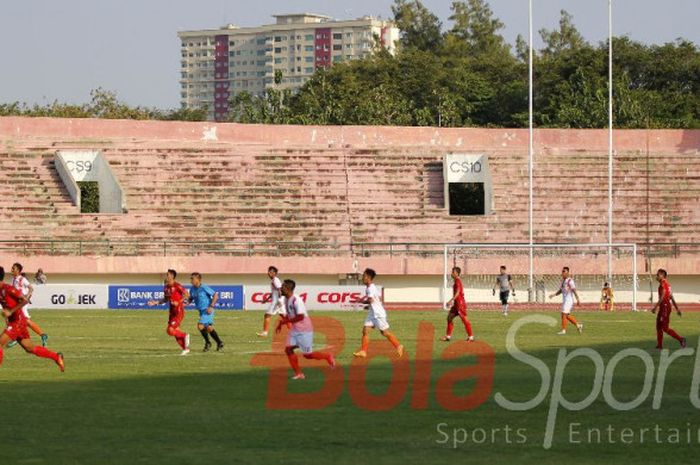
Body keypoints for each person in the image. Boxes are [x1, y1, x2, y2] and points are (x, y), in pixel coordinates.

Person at [0, 266, 64, 371]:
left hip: (18, 322)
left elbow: (25, 300)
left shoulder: (8, 289)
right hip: (16, 322)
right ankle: (57, 357)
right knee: (30, 348)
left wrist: (11, 311)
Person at [276, 279, 335, 380]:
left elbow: (300, 316)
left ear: (288, 289)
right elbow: (291, 315)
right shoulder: (286, 299)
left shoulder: (296, 300)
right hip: (295, 329)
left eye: (283, 287)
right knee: (288, 349)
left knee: (308, 355)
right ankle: (299, 374)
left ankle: (327, 356)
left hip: (304, 329)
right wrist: (282, 322)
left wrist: (285, 322)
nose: (280, 288)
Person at [352, 268, 404, 358]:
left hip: (378, 314)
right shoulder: (370, 288)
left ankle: (398, 346)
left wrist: (361, 301)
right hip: (373, 313)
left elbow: (371, 300)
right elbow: (377, 298)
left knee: (385, 332)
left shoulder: (371, 288)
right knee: (365, 331)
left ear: (368, 277)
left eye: (364, 276)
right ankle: (363, 351)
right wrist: (370, 306)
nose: (362, 278)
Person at [148, 269, 191, 355]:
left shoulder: (177, 285)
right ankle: (185, 349)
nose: (166, 276)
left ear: (172, 276)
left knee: (170, 330)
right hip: (172, 312)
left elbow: (187, 294)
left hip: (178, 311)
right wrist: (156, 302)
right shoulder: (166, 288)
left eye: (167, 275)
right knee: (175, 331)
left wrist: (178, 302)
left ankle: (185, 335)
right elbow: (165, 299)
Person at [7, 262, 49, 348]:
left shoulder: (22, 279)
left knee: (21, 320)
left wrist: (27, 297)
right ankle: (42, 335)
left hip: (21, 303)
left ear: (18, 270)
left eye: (13, 268)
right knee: (19, 320)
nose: (11, 270)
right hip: (17, 303)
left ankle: (16, 338)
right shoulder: (13, 279)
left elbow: (31, 288)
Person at [187, 272, 224, 352]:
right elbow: (191, 298)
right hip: (201, 311)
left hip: (207, 310)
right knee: (209, 328)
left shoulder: (204, 287)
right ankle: (219, 342)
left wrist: (211, 306)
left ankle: (208, 343)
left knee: (200, 326)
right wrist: (187, 301)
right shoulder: (192, 289)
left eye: (192, 278)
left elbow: (215, 295)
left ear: (198, 279)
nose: (191, 280)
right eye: (191, 278)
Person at [650, 269, 686, 349]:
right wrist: (677, 309)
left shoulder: (663, 283)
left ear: (662, 276)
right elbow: (671, 297)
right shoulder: (667, 284)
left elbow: (663, 296)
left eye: (658, 275)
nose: (657, 276)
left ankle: (681, 339)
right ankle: (659, 345)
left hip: (665, 307)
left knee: (665, 328)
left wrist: (655, 307)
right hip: (664, 307)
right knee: (658, 326)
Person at [441, 267, 474, 342]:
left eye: (453, 272)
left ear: (457, 273)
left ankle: (471, 337)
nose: (451, 273)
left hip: (460, 304)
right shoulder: (456, 281)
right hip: (456, 304)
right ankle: (448, 337)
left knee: (465, 320)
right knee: (449, 318)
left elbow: (458, 292)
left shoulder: (458, 281)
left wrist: (451, 300)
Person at [549, 266, 583, 335]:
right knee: (565, 315)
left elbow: (574, 290)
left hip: (569, 300)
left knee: (564, 314)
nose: (562, 273)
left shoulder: (570, 281)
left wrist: (578, 299)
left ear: (567, 273)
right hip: (565, 300)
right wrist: (554, 295)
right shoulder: (563, 281)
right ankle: (578, 325)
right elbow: (561, 290)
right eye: (562, 271)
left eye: (564, 271)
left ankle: (563, 330)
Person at [257, 266, 284, 337]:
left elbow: (280, 289)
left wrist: (279, 299)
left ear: (275, 273)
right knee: (285, 317)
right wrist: (266, 300)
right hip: (279, 301)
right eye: (268, 271)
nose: (269, 273)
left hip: (277, 302)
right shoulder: (273, 280)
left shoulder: (275, 280)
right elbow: (274, 292)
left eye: (271, 272)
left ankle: (265, 333)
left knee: (267, 315)